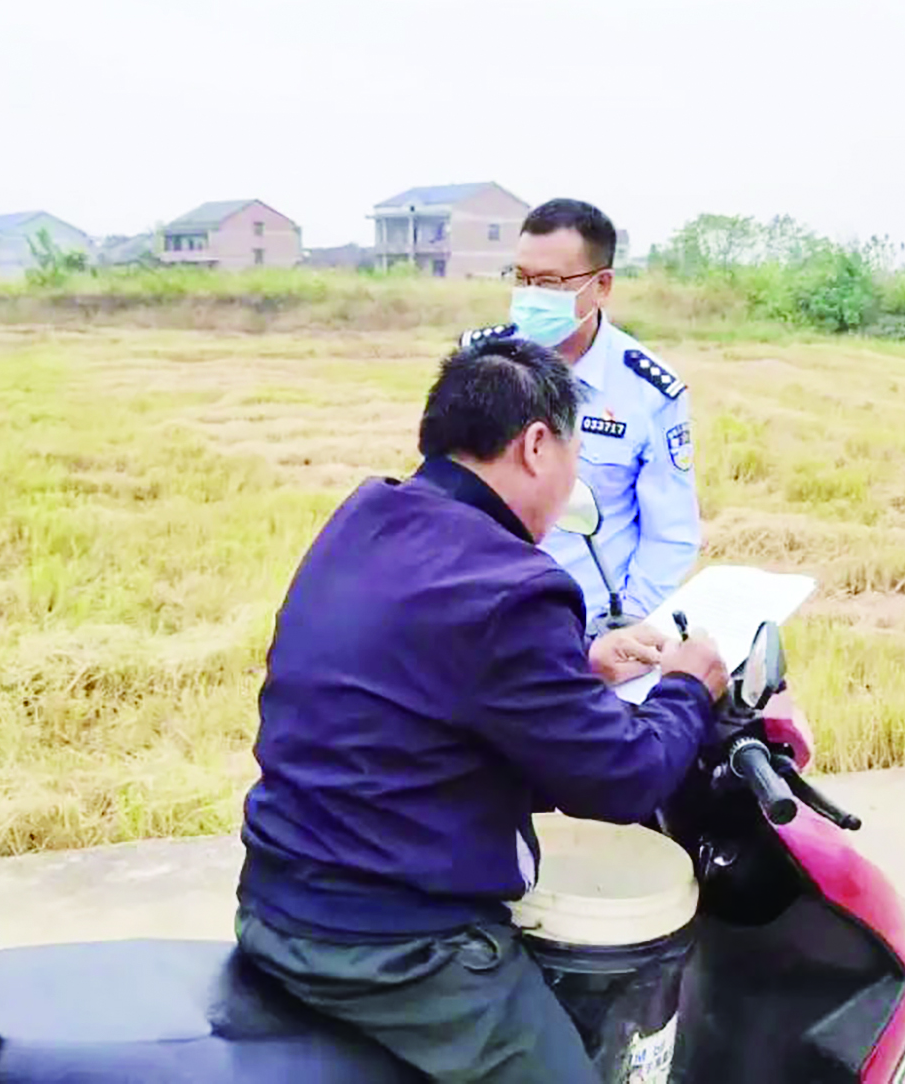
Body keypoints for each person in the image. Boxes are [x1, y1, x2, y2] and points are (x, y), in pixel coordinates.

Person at [234, 335, 729, 1083]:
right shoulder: (514, 583)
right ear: (536, 446)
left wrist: (579, 665)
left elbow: (422, 664)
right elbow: (623, 778)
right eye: (573, 454)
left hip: (279, 900)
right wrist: (688, 686)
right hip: (395, 950)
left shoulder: (368, 515)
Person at [461, 199, 699, 632]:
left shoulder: (649, 392)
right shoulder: (478, 363)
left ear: (602, 285)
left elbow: (670, 534)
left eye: (549, 283)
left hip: (583, 626)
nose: (530, 295)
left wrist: (624, 624)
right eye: (521, 278)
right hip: (479, 615)